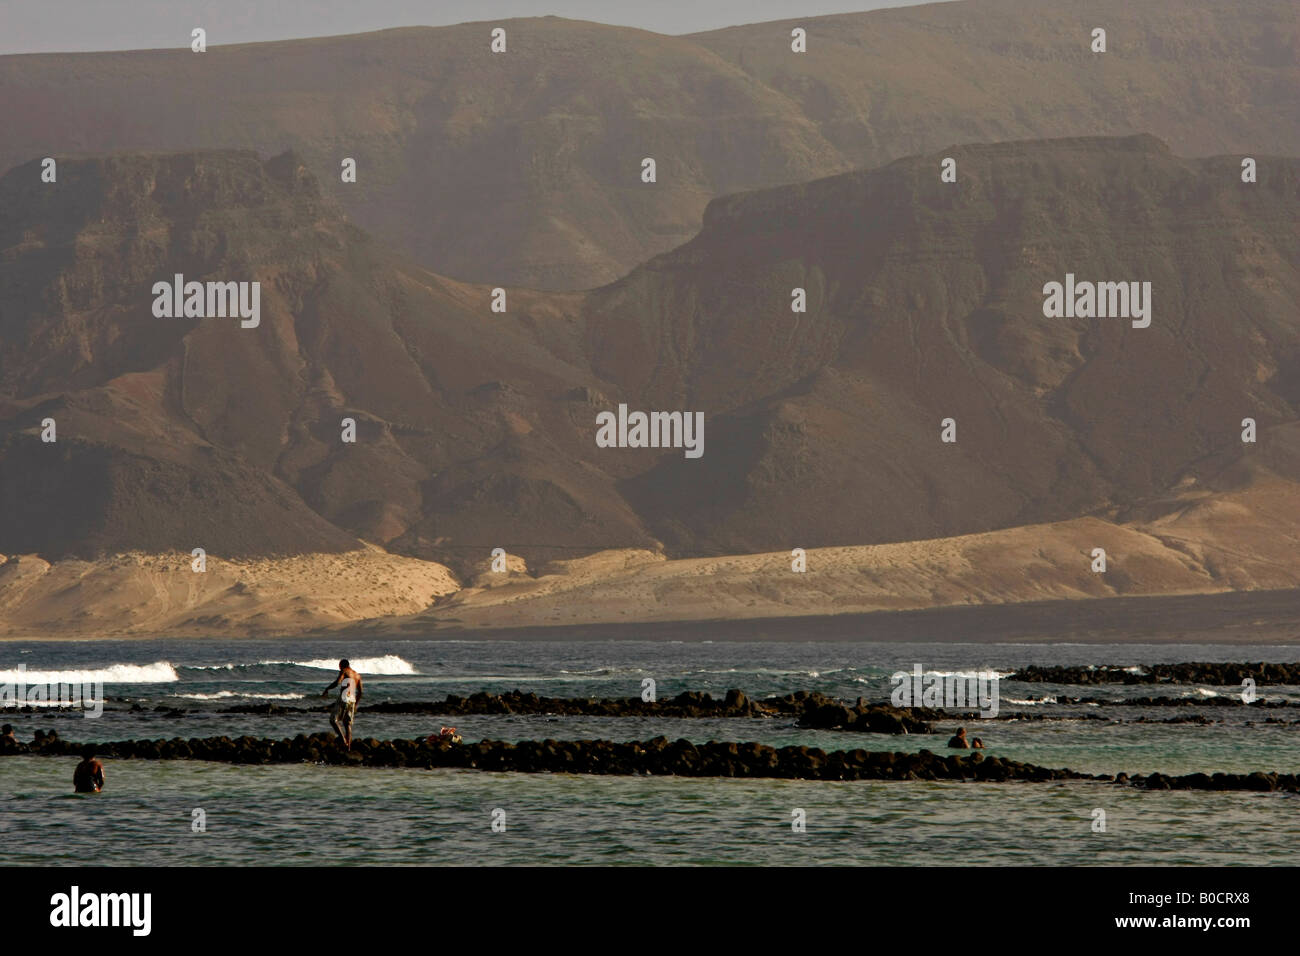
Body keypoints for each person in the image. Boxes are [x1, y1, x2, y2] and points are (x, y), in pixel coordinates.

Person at [321, 659, 363, 749]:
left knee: (333, 720)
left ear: (341, 665)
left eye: (339, 666)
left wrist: (327, 689)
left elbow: (337, 682)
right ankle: (348, 747)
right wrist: (356, 704)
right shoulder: (357, 675)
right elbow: (360, 692)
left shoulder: (344, 671)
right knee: (347, 723)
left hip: (344, 697)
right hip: (352, 699)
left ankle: (343, 740)